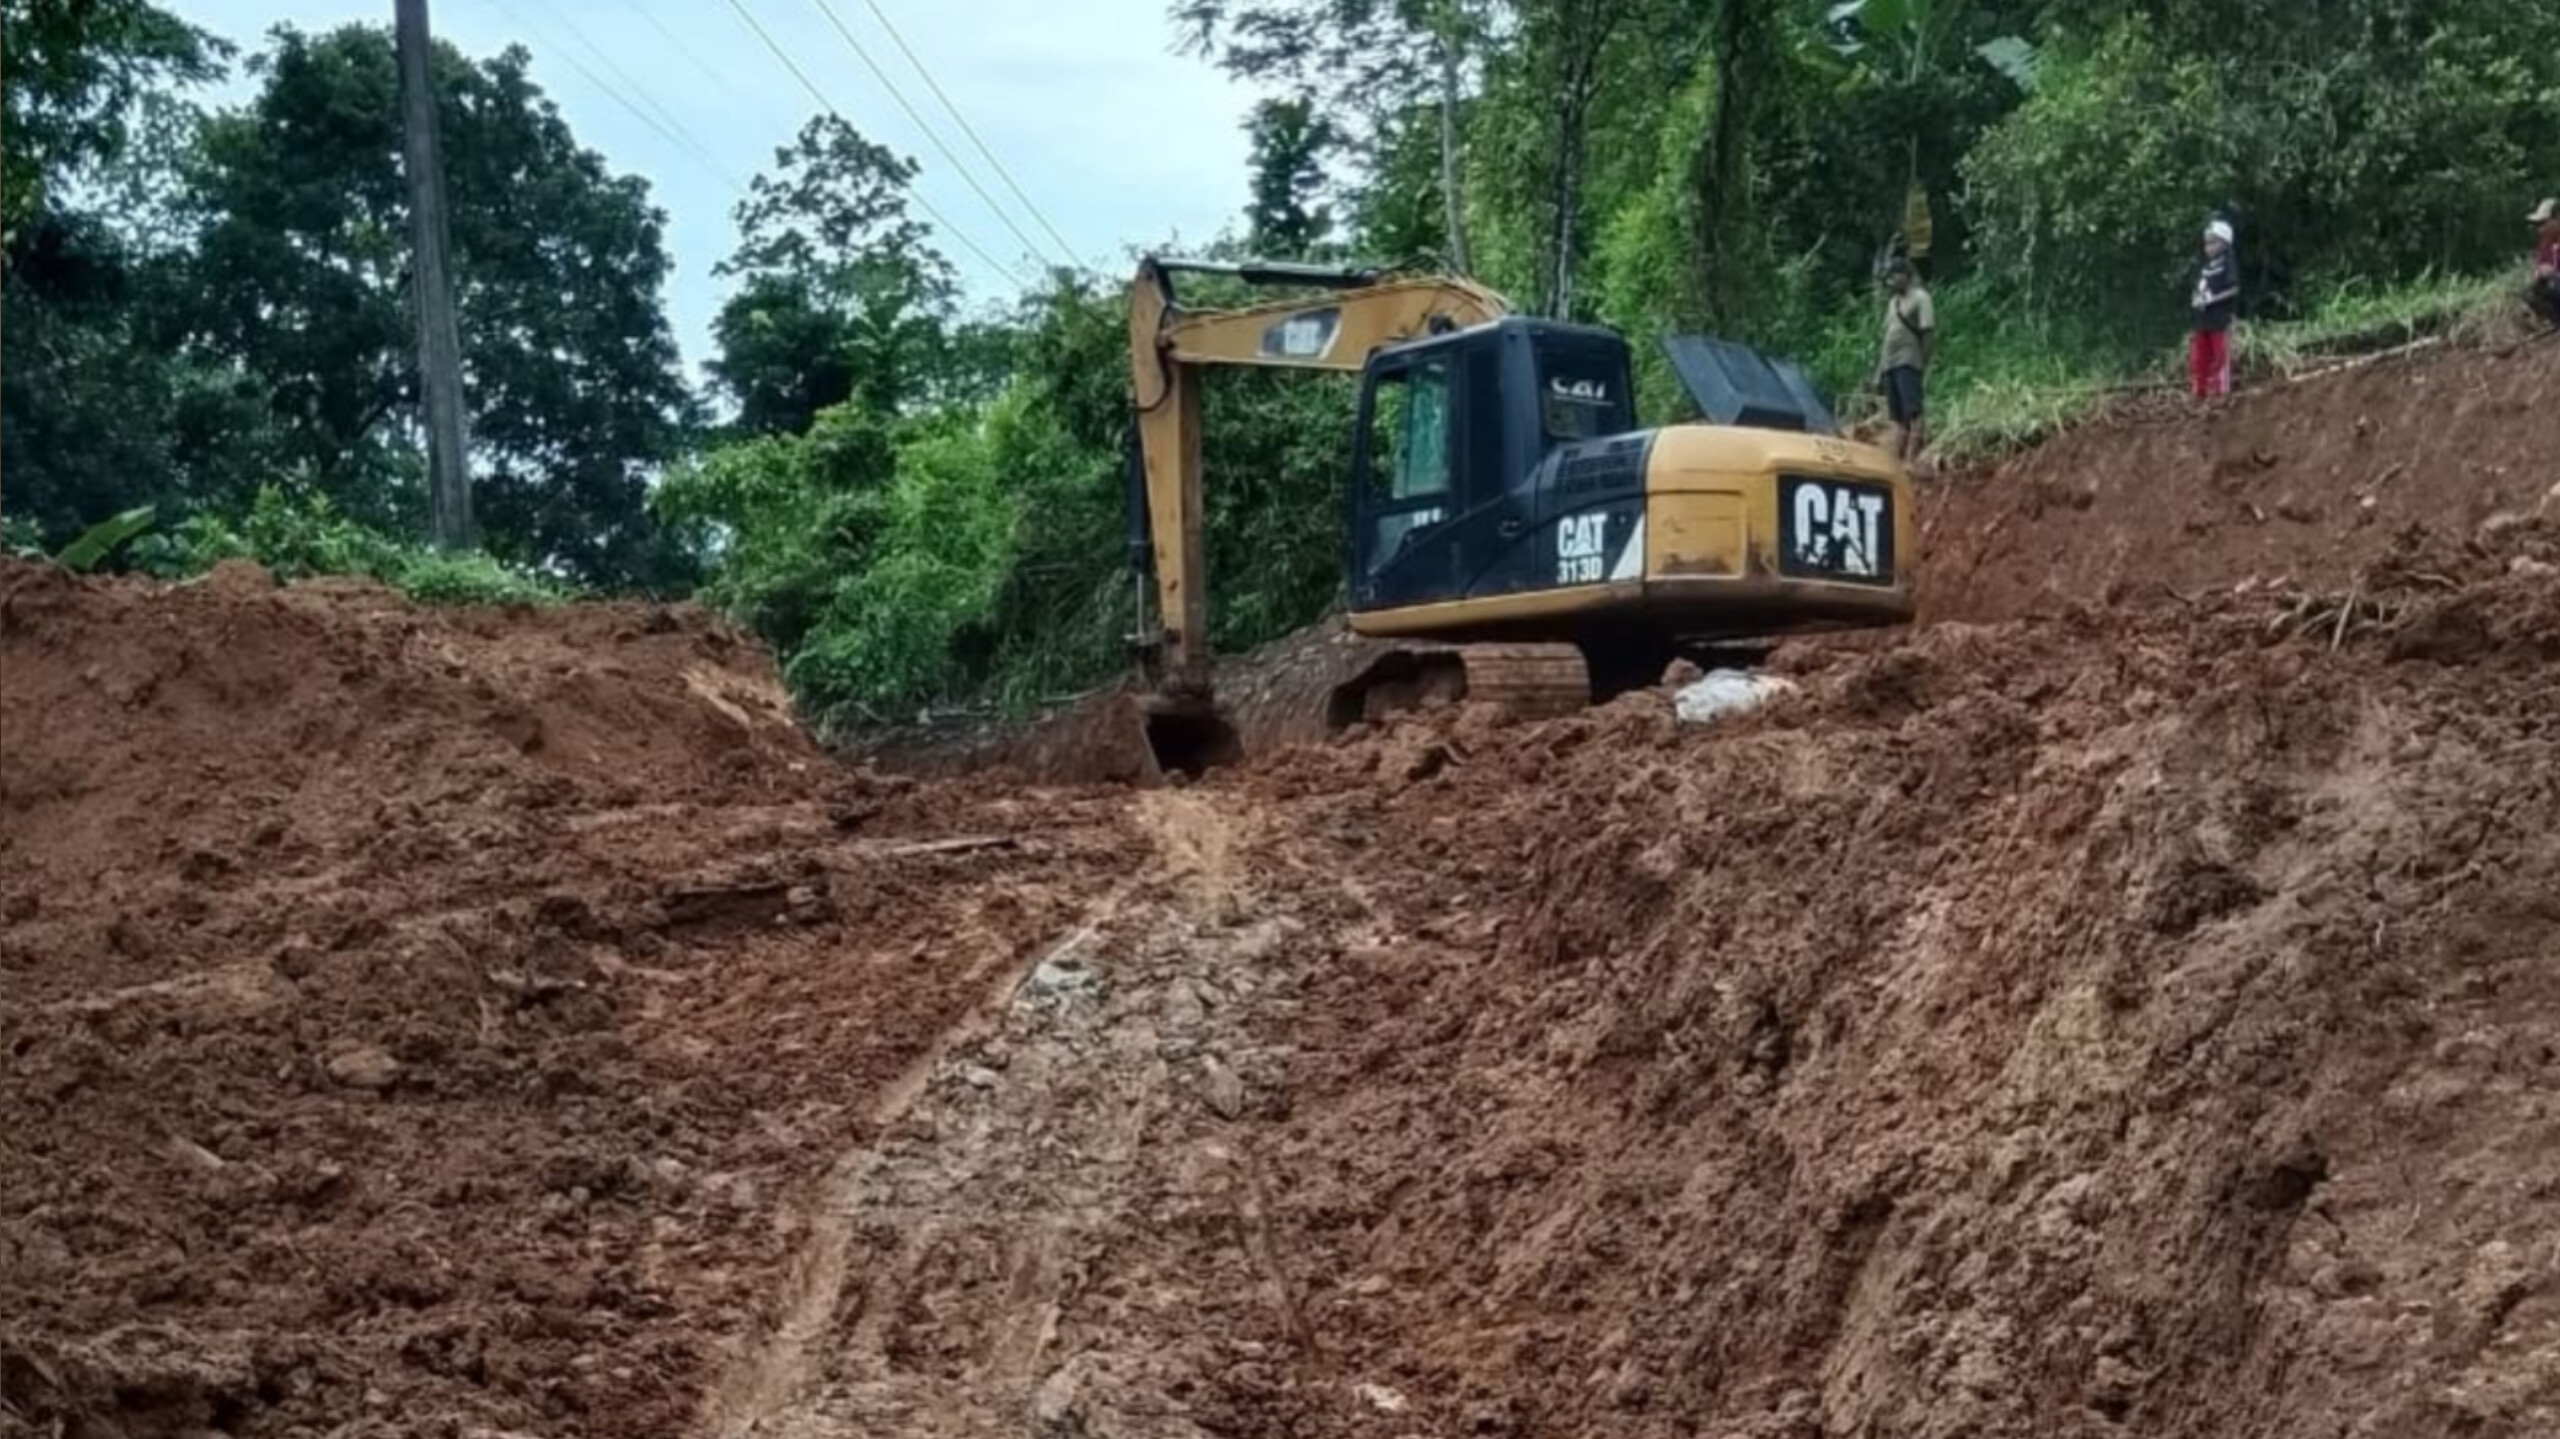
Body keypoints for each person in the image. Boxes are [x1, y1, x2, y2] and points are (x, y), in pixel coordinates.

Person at [1874, 256, 1934, 463]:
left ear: (1905, 276)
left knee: (1914, 412)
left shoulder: (1921, 298)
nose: (1890, 282)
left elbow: (1927, 333)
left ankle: (1910, 458)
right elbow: (1887, 337)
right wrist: (1879, 371)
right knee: (1897, 417)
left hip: (1908, 362)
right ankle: (1896, 460)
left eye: (1894, 276)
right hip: (1891, 364)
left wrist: (1923, 363)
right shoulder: (1893, 303)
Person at [2189, 218, 2240, 401]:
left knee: (2220, 356)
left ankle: (2221, 392)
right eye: (2206, 243)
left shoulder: (2228, 262)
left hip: (2220, 319)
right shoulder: (2204, 267)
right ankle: (2199, 391)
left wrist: (2213, 300)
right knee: (2198, 357)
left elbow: (2234, 288)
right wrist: (2197, 299)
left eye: (2213, 242)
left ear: (2224, 242)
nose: (2208, 247)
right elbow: (2198, 288)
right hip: (2202, 320)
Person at [2529, 198, 2560, 330]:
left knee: (2554, 284)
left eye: (2543, 223)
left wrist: (2553, 271)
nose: (2540, 228)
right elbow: (2538, 262)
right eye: (2538, 225)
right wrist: (2539, 271)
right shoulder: (2545, 242)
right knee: (2532, 292)